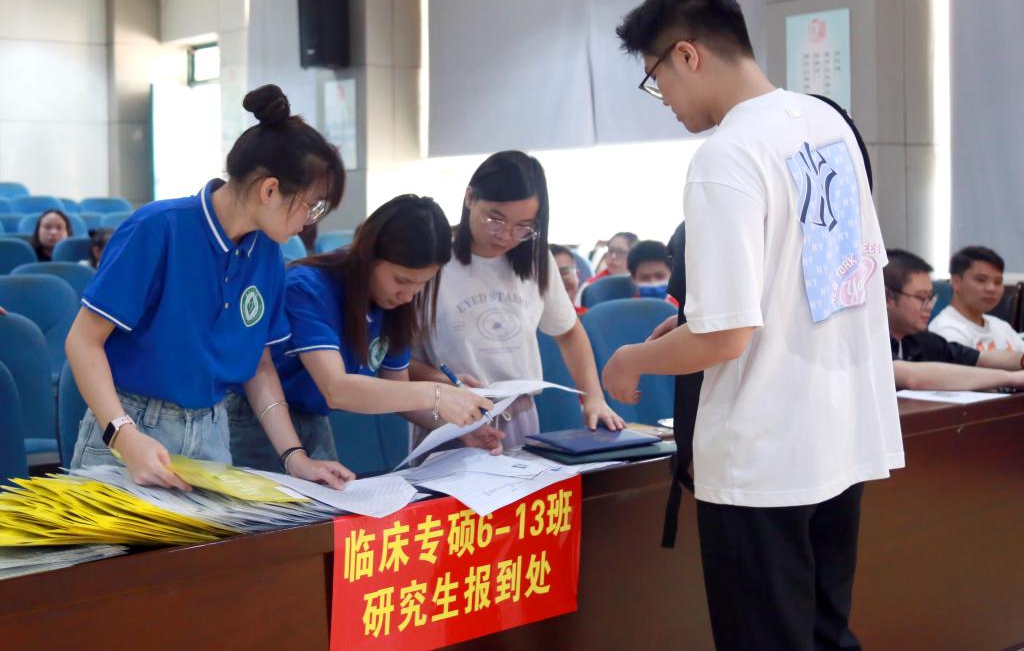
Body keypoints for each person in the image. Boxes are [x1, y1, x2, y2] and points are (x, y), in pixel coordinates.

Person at [602, 0, 903, 650]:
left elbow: (726, 337)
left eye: (656, 79)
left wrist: (633, 359)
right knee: (827, 634)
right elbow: (836, 279)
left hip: (762, 458)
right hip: (840, 436)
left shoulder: (726, 155)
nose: (664, 100)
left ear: (687, 56)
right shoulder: (827, 124)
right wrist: (692, 329)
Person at [66, 84, 353, 490]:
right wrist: (124, 436)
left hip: (213, 433)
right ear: (270, 190)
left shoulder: (267, 254)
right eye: (313, 205)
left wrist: (294, 456)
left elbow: (259, 364)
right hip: (130, 426)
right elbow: (82, 341)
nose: (310, 221)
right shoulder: (158, 228)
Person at [228, 195, 502, 470]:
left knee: (332, 494)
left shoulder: (393, 305)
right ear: (369, 256)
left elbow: (400, 396)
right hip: (257, 416)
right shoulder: (308, 289)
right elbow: (337, 389)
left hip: (313, 419)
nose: (408, 295)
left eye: (422, 284)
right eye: (401, 280)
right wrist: (436, 393)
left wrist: (461, 429)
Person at [411, 150, 624, 449]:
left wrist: (594, 398)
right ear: (470, 197)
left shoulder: (535, 259)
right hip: (447, 412)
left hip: (518, 412)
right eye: (495, 219)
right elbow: (393, 359)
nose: (506, 235)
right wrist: (443, 382)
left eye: (523, 227)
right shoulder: (433, 255)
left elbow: (569, 332)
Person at [884, 248, 1024, 390]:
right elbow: (912, 377)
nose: (930, 306)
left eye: (930, 297)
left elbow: (978, 358)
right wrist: (1011, 378)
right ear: (887, 297)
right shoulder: (872, 342)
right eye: (921, 297)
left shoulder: (919, 337)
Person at [929, 246, 1023, 353]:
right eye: (981, 280)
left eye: (998, 282)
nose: (991, 289)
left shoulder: (1001, 326)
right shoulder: (945, 332)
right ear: (956, 282)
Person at [626, 239, 678, 306]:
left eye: (660, 276)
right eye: (645, 278)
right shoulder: (627, 309)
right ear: (633, 279)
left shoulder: (684, 306)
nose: (654, 283)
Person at [550, 244, 584, 313]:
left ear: (577, 275)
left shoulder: (590, 316)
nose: (558, 281)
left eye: (564, 272)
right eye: (550, 276)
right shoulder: (531, 318)